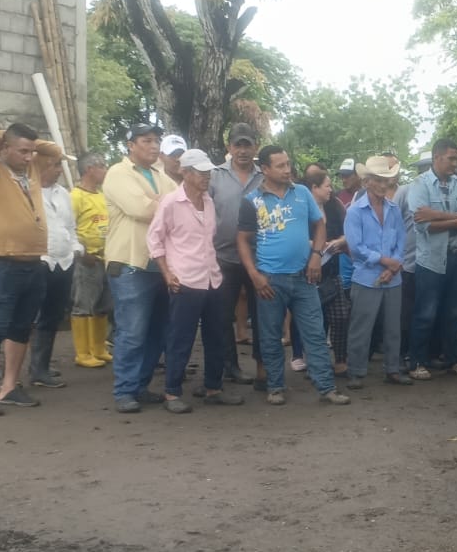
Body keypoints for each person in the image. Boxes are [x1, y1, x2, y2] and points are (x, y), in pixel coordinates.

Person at [236, 144, 351, 406]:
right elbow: (242, 240)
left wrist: (316, 255)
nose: (287, 169)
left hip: (304, 277)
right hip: (269, 279)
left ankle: (326, 388)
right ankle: (275, 387)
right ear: (265, 169)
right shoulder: (252, 200)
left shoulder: (302, 193)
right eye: (280, 166)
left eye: (287, 163)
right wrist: (254, 275)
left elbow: (319, 225)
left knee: (314, 334)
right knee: (270, 335)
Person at [0, 122, 57, 416]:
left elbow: (55, 150)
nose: (29, 157)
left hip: (33, 261)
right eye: (22, 151)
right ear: (4, 148)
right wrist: (4, 135)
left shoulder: (31, 171)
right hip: (0, 261)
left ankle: (9, 387)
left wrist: (28, 143)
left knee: (22, 327)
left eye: (31, 152)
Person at [146, 149, 245, 412]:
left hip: (212, 277)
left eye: (207, 172)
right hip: (185, 279)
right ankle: (172, 393)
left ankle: (213, 387)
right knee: (181, 337)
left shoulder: (208, 201)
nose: (206, 177)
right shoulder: (171, 202)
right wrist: (167, 273)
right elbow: (154, 239)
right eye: (200, 173)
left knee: (217, 334)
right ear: (185, 173)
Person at [103, 123, 178, 414]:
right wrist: (162, 204)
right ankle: (124, 390)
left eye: (156, 140)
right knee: (132, 331)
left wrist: (159, 203)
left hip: (159, 265)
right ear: (130, 145)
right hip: (130, 263)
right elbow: (142, 209)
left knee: (157, 331)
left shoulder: (160, 175)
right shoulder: (117, 173)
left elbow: (179, 207)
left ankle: (140, 386)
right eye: (146, 140)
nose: (154, 145)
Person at [407, 138, 457, 379]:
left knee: (455, 313)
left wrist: (435, 214)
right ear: (437, 157)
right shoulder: (420, 184)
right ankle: (417, 362)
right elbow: (425, 226)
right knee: (425, 313)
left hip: (456, 257)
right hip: (430, 260)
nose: (455, 164)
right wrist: (456, 219)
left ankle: (452, 361)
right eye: (451, 158)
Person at [344, 155, 413, 389]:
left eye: (387, 180)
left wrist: (393, 266)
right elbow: (356, 247)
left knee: (394, 326)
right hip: (366, 277)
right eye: (380, 180)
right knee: (361, 327)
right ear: (367, 182)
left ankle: (392, 369)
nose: (385, 185)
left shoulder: (393, 209)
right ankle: (355, 371)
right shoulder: (355, 211)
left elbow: (402, 240)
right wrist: (388, 262)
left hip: (392, 277)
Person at [211, 123, 265, 386]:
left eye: (247, 145)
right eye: (238, 145)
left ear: (256, 147)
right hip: (224, 257)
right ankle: (229, 367)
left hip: (260, 256)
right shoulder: (214, 176)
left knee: (263, 315)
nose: (242, 150)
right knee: (222, 316)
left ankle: (263, 368)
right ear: (229, 147)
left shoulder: (265, 176)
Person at [29, 143, 82, 389]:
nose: (60, 170)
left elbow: (70, 227)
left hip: (64, 261)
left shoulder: (63, 194)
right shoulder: (27, 192)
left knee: (52, 316)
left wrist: (76, 247)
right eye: (55, 165)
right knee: (28, 316)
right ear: (41, 166)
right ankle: (12, 367)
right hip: (39, 261)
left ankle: (40, 367)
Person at [303, 163, 351, 376]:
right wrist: (316, 247)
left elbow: (347, 231)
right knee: (315, 322)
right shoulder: (301, 208)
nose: (331, 189)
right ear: (314, 188)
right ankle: (317, 363)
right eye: (327, 186)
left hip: (333, 271)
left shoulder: (334, 206)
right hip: (309, 274)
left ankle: (340, 359)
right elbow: (294, 236)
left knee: (341, 317)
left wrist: (339, 242)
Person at [69, 153, 112, 368]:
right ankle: (83, 352)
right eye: (102, 166)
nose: (105, 170)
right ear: (89, 170)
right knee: (84, 304)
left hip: (104, 258)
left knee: (102, 304)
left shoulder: (102, 196)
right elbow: (69, 228)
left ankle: (99, 348)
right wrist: (81, 253)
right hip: (86, 259)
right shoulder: (75, 196)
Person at [394, 150, 430, 371]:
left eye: (429, 168)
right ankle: (401, 354)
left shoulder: (440, 194)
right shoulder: (404, 192)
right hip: (407, 263)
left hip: (432, 264)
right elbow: (392, 223)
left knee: (426, 312)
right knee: (405, 313)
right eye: (422, 168)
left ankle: (423, 355)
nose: (425, 172)